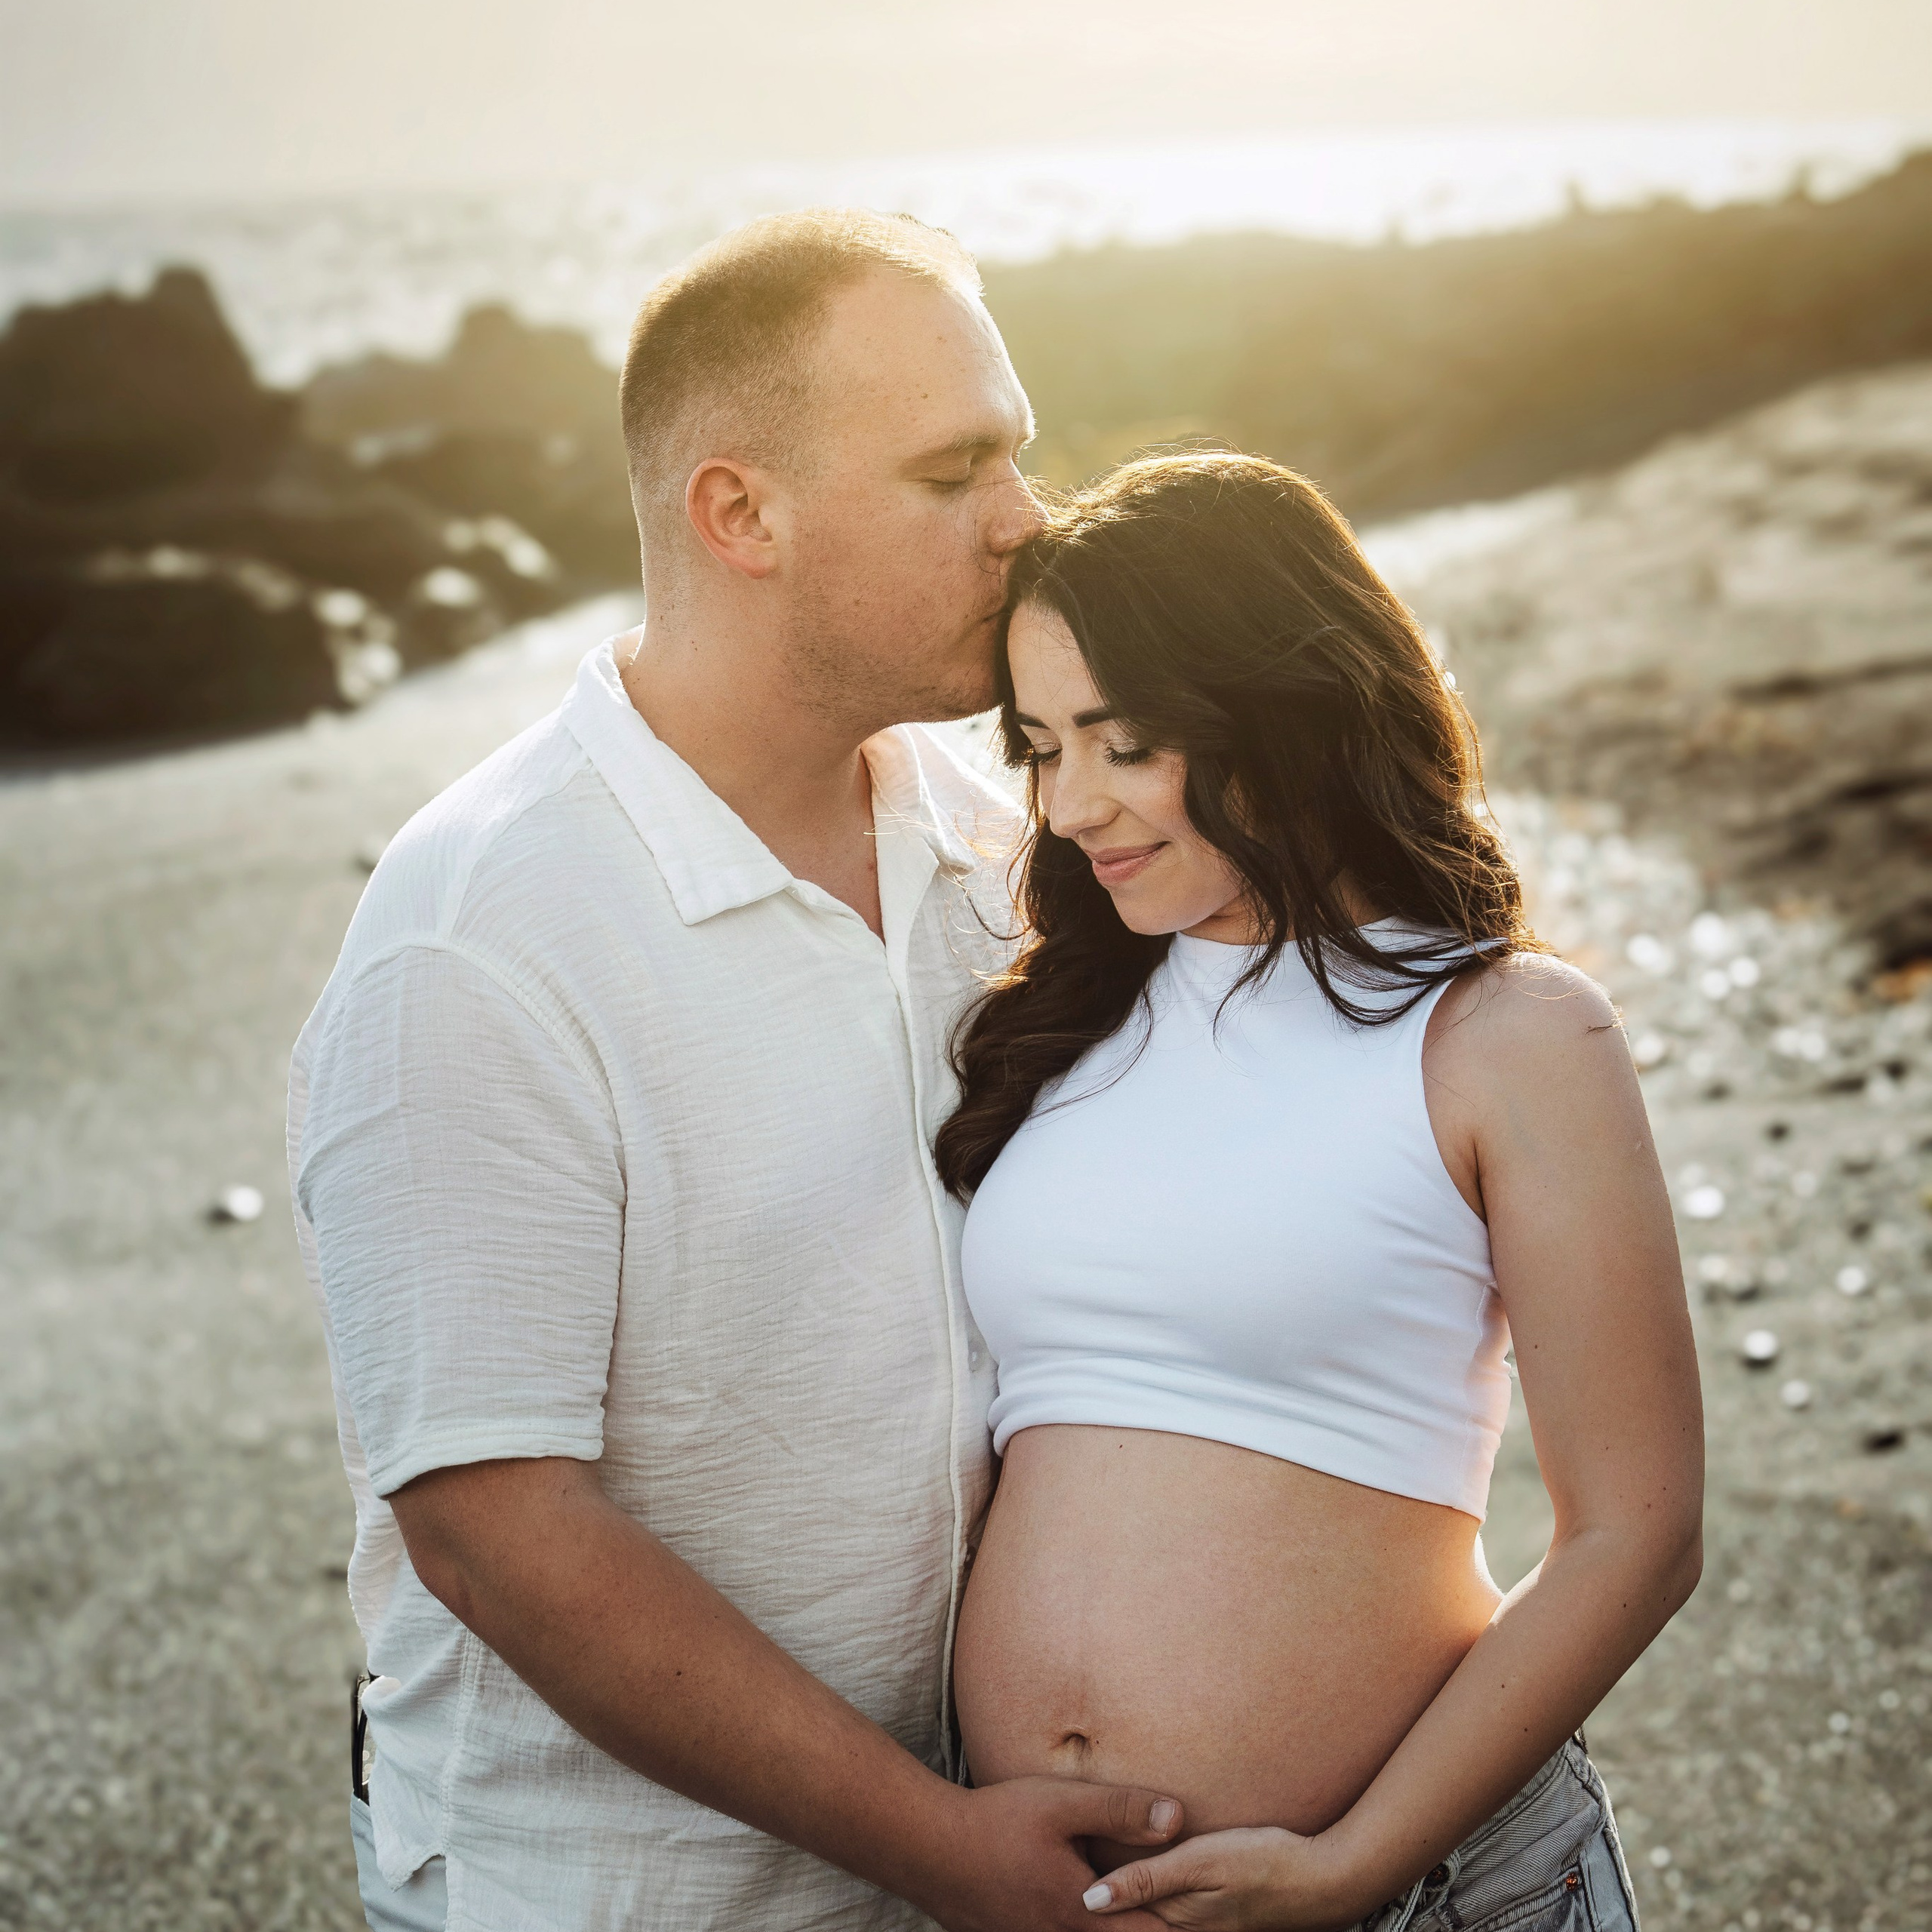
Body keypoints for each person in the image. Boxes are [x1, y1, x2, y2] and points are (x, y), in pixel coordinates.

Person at [288, 210, 1186, 1932]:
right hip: (620, 1897)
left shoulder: (1005, 844)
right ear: (738, 512)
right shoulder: (477, 937)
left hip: (967, 1872)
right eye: (954, 470)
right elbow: (493, 1521)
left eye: (1017, 451)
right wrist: (942, 1847)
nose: (1028, 517)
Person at [939, 451, 1705, 1931]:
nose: (1070, 803)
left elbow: (1639, 1528)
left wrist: (1348, 1861)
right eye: (1038, 745)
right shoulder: (1063, 1020)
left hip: (1414, 1888)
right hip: (1048, 1898)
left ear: (1278, 713)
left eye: (1124, 740)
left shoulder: (1505, 1032)